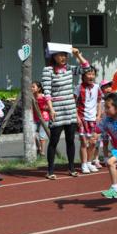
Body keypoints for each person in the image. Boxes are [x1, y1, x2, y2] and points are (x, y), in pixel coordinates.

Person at [41, 44, 90, 180]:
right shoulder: (48, 70)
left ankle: (71, 168)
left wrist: (77, 55)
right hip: (56, 109)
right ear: (53, 56)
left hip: (70, 108)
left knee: (70, 140)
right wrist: (51, 109)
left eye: (65, 55)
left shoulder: (69, 68)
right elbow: (47, 92)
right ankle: (50, 170)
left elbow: (87, 68)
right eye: (60, 55)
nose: (63, 57)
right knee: (54, 141)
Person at [74, 66, 102, 174]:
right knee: (84, 143)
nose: (91, 76)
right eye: (88, 74)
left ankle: (90, 163)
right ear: (83, 76)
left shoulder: (97, 87)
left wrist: (99, 116)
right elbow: (73, 102)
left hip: (93, 119)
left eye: (93, 74)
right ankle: (84, 164)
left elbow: (99, 102)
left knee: (93, 143)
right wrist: (77, 117)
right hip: (82, 118)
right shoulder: (78, 87)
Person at [93, 79, 113, 168]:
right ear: (101, 89)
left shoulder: (112, 100)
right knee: (97, 142)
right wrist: (98, 116)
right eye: (106, 87)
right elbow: (98, 112)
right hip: (100, 124)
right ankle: (96, 159)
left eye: (109, 86)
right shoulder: (100, 100)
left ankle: (105, 158)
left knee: (106, 142)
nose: (108, 89)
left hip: (108, 124)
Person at [31, 81, 53, 157]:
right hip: (34, 118)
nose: (31, 88)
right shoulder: (30, 97)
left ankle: (42, 152)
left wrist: (44, 108)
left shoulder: (44, 96)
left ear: (39, 88)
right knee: (31, 134)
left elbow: (49, 107)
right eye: (31, 87)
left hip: (44, 118)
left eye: (33, 87)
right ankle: (39, 148)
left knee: (42, 136)